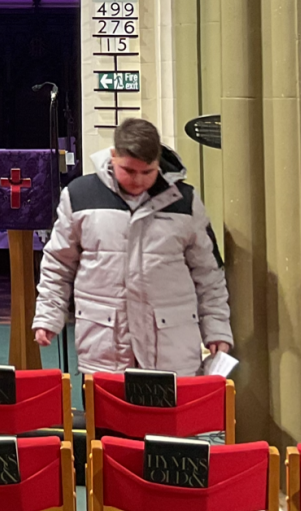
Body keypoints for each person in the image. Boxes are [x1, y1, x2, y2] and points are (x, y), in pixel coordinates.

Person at [32, 117, 232, 375]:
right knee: (107, 403)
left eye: (147, 172)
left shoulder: (185, 201)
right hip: (105, 346)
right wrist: (48, 316)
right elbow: (58, 265)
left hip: (171, 347)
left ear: (158, 162)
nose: (138, 180)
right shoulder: (80, 196)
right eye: (129, 170)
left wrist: (216, 328)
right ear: (113, 156)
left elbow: (209, 274)